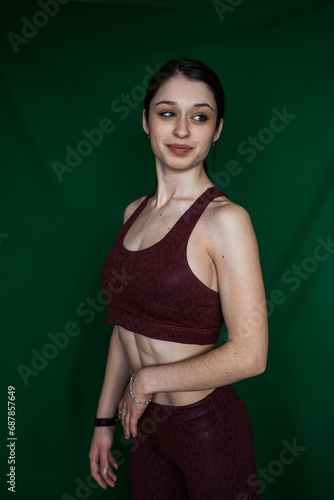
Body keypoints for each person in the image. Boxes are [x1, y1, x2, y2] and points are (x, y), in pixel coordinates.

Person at [89, 57, 268, 500]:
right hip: (144, 427)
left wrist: (145, 382)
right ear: (146, 122)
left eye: (200, 117)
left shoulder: (225, 221)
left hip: (206, 427)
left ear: (218, 130)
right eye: (168, 113)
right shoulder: (134, 213)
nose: (183, 131)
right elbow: (125, 324)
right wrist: (104, 420)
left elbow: (251, 355)